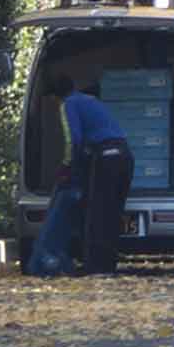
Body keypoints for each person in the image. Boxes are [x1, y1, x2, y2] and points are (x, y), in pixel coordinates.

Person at [51, 75, 133, 274]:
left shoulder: (68, 104)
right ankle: (109, 264)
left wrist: (66, 166)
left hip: (106, 157)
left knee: (96, 214)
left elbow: (74, 139)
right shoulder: (92, 101)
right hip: (125, 156)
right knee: (113, 213)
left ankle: (95, 267)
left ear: (57, 96)